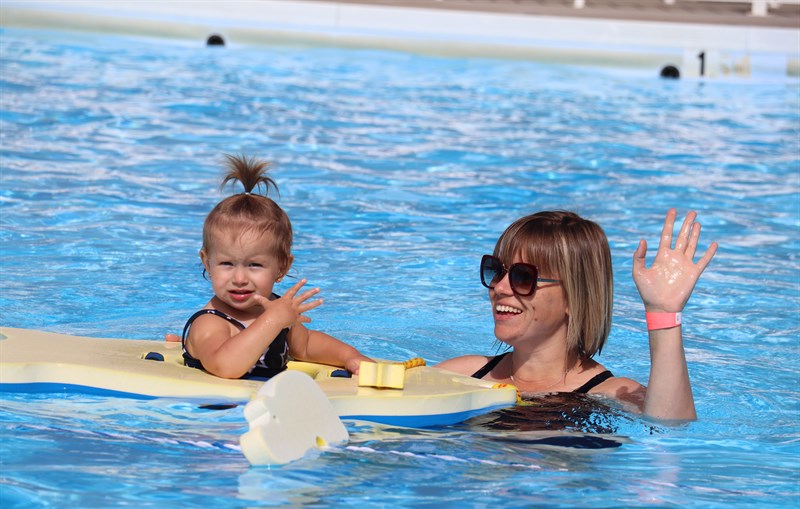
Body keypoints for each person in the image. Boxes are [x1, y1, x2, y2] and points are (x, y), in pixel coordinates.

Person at [436, 209, 717, 421]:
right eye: (496, 270)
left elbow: (671, 431)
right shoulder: (464, 373)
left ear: (574, 296)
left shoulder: (607, 395)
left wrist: (663, 314)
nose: (500, 287)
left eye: (523, 277)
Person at [181, 154, 372, 379]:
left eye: (254, 265)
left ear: (282, 267)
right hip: (213, 410)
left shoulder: (277, 310)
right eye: (226, 264)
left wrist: (350, 356)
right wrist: (273, 321)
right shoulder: (210, 322)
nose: (240, 278)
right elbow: (224, 367)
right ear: (207, 262)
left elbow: (306, 346)